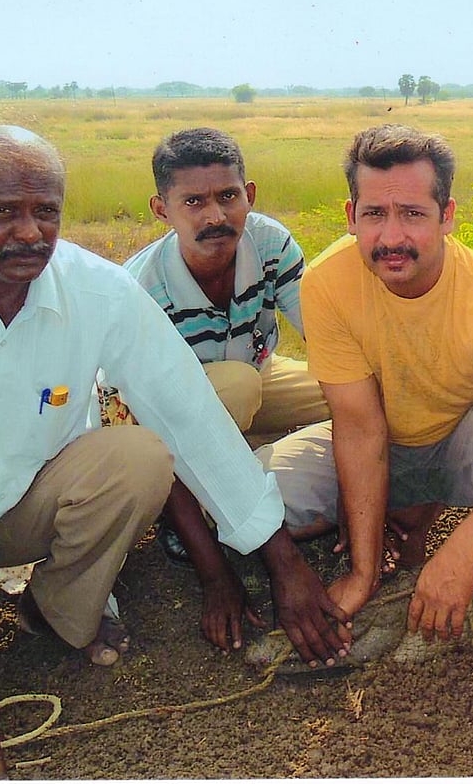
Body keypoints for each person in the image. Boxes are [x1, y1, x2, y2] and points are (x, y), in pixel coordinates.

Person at [0, 126, 346, 779]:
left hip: (15, 502)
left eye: (46, 212)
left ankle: (44, 608)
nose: (29, 234)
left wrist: (279, 558)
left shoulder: (99, 292)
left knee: (139, 456)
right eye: (3, 212)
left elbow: (188, 414)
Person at [260, 123, 473, 775]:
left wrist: (463, 551)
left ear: (447, 217)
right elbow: (359, 430)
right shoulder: (329, 279)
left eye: (413, 214)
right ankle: (394, 534)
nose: (392, 236)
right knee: (255, 500)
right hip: (385, 440)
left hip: (464, 449)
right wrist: (363, 572)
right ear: (350, 216)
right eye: (375, 214)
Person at [118, 128, 341, 654]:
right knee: (235, 389)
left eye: (227, 196)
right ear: (161, 208)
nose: (215, 216)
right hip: (168, 421)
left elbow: (327, 339)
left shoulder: (269, 243)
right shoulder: (141, 290)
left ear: (250, 195)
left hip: (253, 375)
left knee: (346, 388)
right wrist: (215, 577)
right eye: (193, 201)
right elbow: (152, 424)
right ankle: (194, 518)